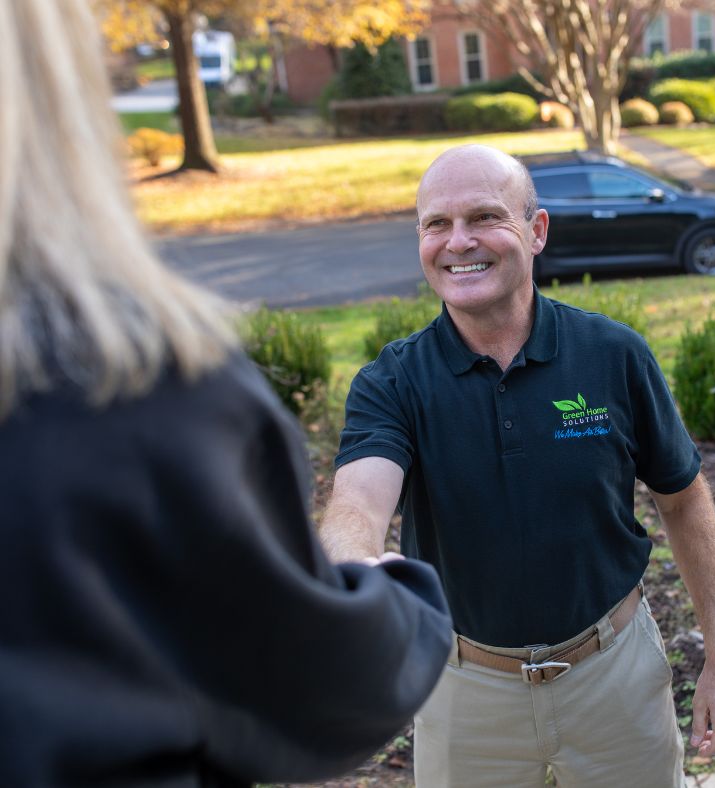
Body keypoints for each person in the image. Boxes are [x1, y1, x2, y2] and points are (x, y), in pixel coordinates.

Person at [0, 1, 451, 785]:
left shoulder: (605, 351)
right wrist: (395, 595)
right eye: (435, 222)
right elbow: (315, 685)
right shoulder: (126, 384)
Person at [320, 144, 715, 786]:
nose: (458, 242)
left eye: (484, 217)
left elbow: (684, 500)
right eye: (437, 224)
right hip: (464, 691)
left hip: (615, 676)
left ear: (536, 230)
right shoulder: (394, 382)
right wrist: (354, 562)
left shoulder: (613, 355)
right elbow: (357, 501)